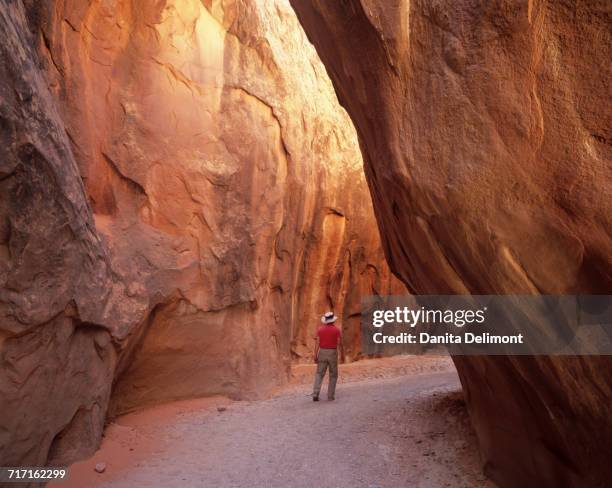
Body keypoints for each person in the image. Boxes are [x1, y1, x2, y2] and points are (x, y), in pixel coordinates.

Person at [312, 311, 344, 401]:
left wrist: (315, 354)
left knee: (319, 373)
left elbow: (317, 343)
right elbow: (339, 343)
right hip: (332, 352)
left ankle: (315, 393)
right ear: (333, 320)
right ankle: (330, 395)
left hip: (322, 351)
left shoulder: (320, 330)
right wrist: (342, 355)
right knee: (333, 374)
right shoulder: (337, 330)